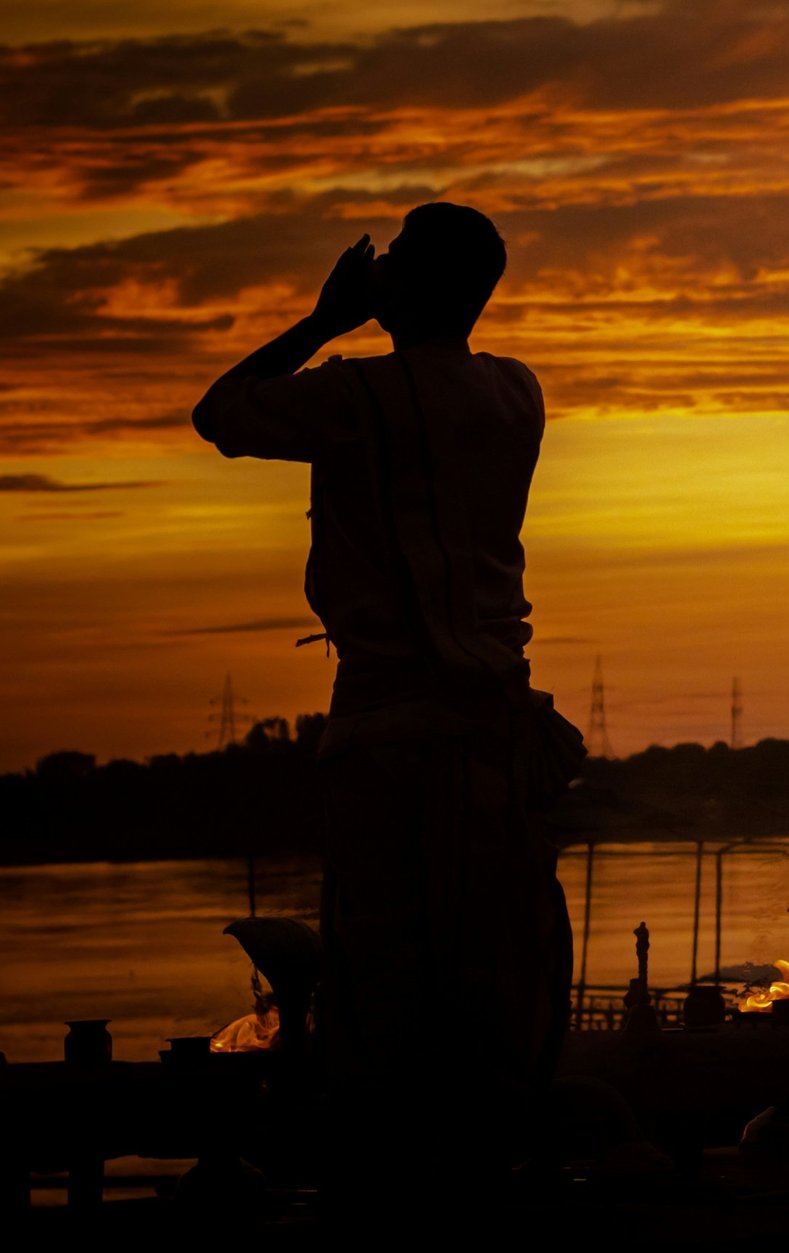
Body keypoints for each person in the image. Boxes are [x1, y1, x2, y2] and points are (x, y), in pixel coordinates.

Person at [191, 203, 580, 1199]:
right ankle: (490, 1160)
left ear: (396, 290)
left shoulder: (355, 396)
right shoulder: (516, 392)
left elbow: (222, 412)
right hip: (493, 729)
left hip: (392, 736)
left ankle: (401, 1181)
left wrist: (327, 319)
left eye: (393, 263)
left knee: (385, 973)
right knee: (495, 963)